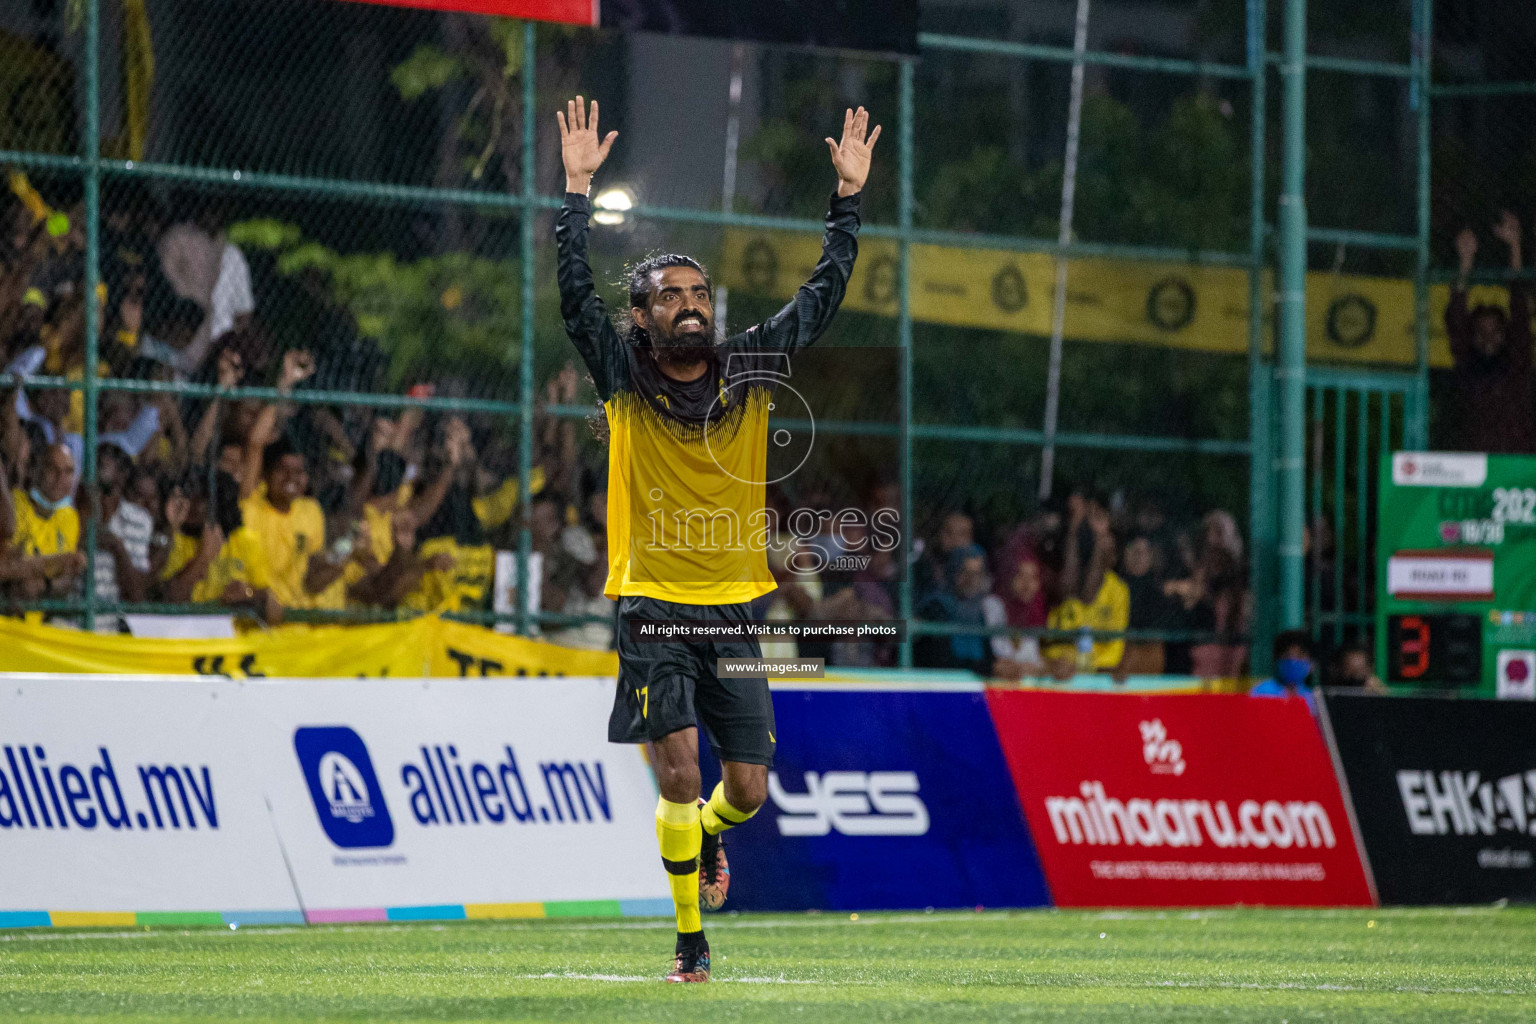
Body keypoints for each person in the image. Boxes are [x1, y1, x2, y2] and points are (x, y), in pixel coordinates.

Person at [555, 94, 877, 982]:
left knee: (744, 792)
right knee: (676, 774)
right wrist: (576, 193)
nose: (690, 306)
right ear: (645, 315)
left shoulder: (752, 369)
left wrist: (845, 202)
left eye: (699, 293)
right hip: (653, 606)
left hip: (735, 609)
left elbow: (821, 297)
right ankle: (691, 941)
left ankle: (704, 838)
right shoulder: (621, 375)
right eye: (672, 296)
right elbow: (574, 295)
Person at [1443, 211, 1534, 454]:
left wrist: (1515, 246)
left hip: (1517, 464)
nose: (1488, 338)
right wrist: (1465, 262)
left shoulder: (1517, 364)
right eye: (1482, 331)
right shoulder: (1468, 364)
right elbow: (1456, 319)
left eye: (1495, 331)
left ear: (1505, 335)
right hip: (1474, 463)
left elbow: (1520, 312)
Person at [1250, 629, 1317, 711]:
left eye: (1300, 656)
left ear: (1312, 665)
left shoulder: (1313, 699)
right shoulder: (1261, 693)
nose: (1293, 661)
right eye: (1287, 656)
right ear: (1276, 661)